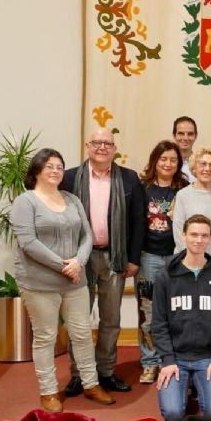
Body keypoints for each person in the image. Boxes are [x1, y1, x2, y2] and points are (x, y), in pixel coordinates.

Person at [10, 149, 114, 412]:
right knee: (45, 336)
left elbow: (87, 234)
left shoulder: (71, 199)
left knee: (81, 334)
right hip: (40, 282)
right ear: (37, 171)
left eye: (59, 166)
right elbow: (28, 243)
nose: (56, 170)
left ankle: (90, 384)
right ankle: (48, 391)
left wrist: (78, 261)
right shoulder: (26, 202)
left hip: (75, 279)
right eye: (50, 166)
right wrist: (63, 266)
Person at [61, 127, 145, 396]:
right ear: (87, 145)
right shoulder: (70, 178)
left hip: (114, 258)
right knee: (79, 320)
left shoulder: (129, 179)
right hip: (79, 259)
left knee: (111, 319)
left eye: (107, 143)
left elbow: (138, 221)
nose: (101, 147)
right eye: (96, 142)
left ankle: (106, 371)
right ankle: (79, 374)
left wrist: (132, 259)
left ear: (114, 148)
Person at [152, 214, 211, 421]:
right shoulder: (165, 276)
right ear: (183, 235)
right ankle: (185, 385)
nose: (199, 240)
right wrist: (167, 360)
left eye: (204, 235)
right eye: (194, 234)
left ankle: (197, 383)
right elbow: (158, 324)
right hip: (176, 358)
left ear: (210, 238)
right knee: (172, 414)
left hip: (206, 358)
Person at [136, 140, 189, 384]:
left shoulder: (185, 188)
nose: (168, 164)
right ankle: (149, 362)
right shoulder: (142, 187)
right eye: (163, 159)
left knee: (177, 311)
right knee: (147, 312)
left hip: (177, 257)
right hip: (148, 257)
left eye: (173, 160)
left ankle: (172, 358)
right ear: (155, 160)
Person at [172, 148, 211, 271]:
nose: (207, 168)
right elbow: (179, 235)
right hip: (189, 268)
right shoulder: (183, 195)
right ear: (194, 168)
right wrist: (194, 265)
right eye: (203, 164)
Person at [172, 116, 198, 182]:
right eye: (181, 133)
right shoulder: (165, 165)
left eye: (190, 134)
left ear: (196, 136)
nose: (185, 138)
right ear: (174, 136)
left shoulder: (202, 164)